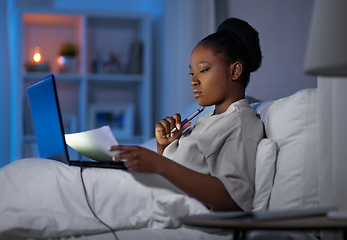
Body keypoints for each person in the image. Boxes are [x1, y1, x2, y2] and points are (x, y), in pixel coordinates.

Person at [109, 18, 264, 212]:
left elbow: (233, 199)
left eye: (204, 70)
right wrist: (163, 148)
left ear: (235, 71)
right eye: (192, 73)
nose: (194, 81)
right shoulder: (208, 120)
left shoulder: (241, 123)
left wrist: (160, 164)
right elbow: (181, 177)